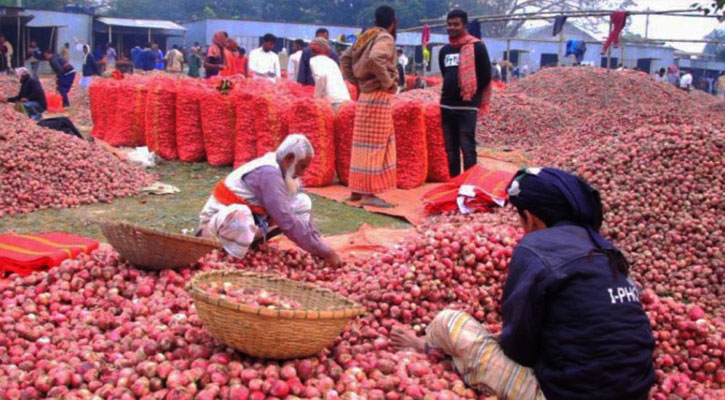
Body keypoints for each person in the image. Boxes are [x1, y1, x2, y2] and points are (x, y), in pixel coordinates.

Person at [391, 167, 655, 400]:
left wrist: (502, 340)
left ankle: (427, 347)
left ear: (530, 218)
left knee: (450, 322)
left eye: (520, 219)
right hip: (637, 389)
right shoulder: (606, 249)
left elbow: (520, 349)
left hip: (562, 393)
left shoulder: (535, 247)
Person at [197, 134, 341, 268]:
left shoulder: (283, 169)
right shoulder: (269, 173)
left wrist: (319, 245)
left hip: (251, 223)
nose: (303, 173)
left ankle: (248, 247)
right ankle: (231, 260)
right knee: (241, 214)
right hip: (214, 228)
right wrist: (327, 252)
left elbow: (298, 217)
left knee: (302, 202)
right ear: (290, 158)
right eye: (302, 166)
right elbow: (286, 220)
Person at [341, 5, 399, 208]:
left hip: (365, 97)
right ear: (394, 21)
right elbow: (376, 58)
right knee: (377, 146)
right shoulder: (385, 38)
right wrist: (388, 82)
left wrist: (357, 83)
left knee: (362, 146)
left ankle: (357, 190)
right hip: (379, 98)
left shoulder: (365, 36)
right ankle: (369, 193)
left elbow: (345, 58)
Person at [438, 9, 492, 178]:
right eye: (449, 24)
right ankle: (454, 183)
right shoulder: (445, 50)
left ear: (465, 26)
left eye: (456, 24)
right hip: (446, 106)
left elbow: (485, 75)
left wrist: (471, 94)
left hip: (467, 107)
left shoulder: (477, 47)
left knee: (467, 147)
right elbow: (445, 73)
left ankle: (469, 184)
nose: (452, 27)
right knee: (450, 149)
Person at [309, 37, 350, 111]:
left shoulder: (314, 60)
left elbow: (321, 77)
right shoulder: (332, 61)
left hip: (333, 101)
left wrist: (316, 98)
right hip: (345, 99)